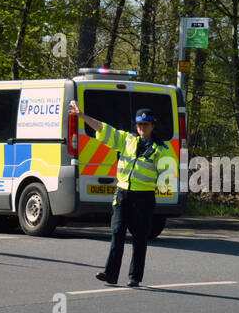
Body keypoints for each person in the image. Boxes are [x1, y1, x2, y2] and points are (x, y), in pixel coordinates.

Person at [68, 101, 174, 287]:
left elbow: (168, 178)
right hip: (123, 194)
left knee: (140, 238)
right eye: (139, 124)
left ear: (153, 126)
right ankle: (110, 273)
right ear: (136, 126)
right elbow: (104, 128)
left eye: (146, 124)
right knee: (117, 232)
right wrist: (82, 116)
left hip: (144, 198)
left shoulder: (162, 150)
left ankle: (134, 276)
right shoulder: (127, 140)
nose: (142, 128)